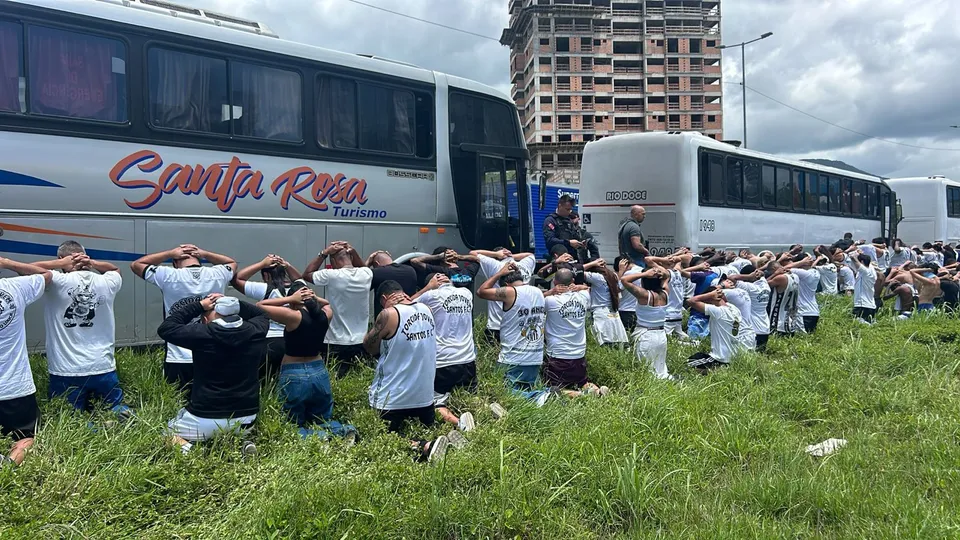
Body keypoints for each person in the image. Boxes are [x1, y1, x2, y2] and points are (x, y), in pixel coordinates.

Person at [157, 294, 269, 456]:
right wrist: (233, 302)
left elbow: (166, 328)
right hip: (246, 419)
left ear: (205, 320)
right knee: (232, 431)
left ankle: (194, 451)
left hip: (204, 417)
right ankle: (240, 445)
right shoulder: (255, 330)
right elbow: (261, 313)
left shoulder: (202, 333)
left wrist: (200, 305)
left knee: (166, 432)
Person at [34, 242, 130, 417]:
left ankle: (90, 432)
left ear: (62, 259)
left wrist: (60, 265)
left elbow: (26, 270)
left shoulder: (56, 280)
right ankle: (124, 424)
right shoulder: (106, 281)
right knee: (115, 410)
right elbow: (116, 270)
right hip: (103, 367)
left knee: (71, 417)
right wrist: (92, 263)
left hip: (66, 369)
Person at [363, 280, 449, 463]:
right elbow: (412, 306)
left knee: (378, 437)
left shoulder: (388, 314)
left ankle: (423, 446)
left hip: (391, 402)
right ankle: (457, 424)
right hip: (424, 402)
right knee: (428, 417)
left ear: (384, 298)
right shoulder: (427, 310)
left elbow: (368, 347)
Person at [131, 244, 236, 394]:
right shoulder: (218, 273)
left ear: (175, 263)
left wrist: (169, 252)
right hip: (212, 353)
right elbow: (231, 263)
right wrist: (205, 252)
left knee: (177, 402)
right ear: (199, 260)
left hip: (178, 356)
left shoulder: (169, 275)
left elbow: (136, 265)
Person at [257, 281, 354, 441]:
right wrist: (313, 297)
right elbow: (328, 303)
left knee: (292, 422)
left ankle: (316, 437)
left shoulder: (293, 316)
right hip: (319, 371)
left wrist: (291, 299)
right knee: (323, 417)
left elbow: (260, 306)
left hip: (294, 373)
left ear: (294, 301)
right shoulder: (325, 315)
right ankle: (343, 431)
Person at [411, 273, 478, 432]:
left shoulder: (430, 295)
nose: (441, 275)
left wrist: (428, 287)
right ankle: (486, 413)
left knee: (436, 402)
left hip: (443, 361)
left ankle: (460, 425)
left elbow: (405, 305)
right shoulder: (466, 293)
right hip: (467, 359)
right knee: (470, 397)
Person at [0, 257, 51, 466]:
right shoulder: (15, 287)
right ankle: (8, 467)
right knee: (25, 438)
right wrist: (8, 263)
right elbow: (46, 276)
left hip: (16, 388)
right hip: (15, 388)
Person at [477, 263, 549, 406]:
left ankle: (542, 395)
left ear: (506, 284)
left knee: (501, 391)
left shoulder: (511, 292)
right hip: (535, 356)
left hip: (513, 357)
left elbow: (481, 291)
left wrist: (498, 273)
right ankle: (544, 396)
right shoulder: (538, 292)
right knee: (525, 390)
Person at [304, 242, 373, 377]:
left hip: (334, 341)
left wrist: (323, 253)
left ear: (333, 261)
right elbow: (363, 267)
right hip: (361, 340)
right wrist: (353, 252)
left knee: (332, 381)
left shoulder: (332, 275)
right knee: (357, 380)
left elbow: (307, 275)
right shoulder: (366, 274)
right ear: (351, 258)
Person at [232, 254, 301, 379]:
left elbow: (237, 279)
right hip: (295, 341)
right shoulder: (299, 289)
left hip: (271, 340)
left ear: (266, 275)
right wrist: (288, 265)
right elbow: (298, 278)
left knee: (267, 381)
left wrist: (262, 264)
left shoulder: (266, 289)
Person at [542, 268, 608, 396]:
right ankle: (597, 390)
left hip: (558, 355)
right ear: (572, 281)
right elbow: (588, 289)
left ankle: (582, 395)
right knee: (581, 381)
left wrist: (549, 292)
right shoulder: (583, 296)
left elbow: (534, 301)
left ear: (555, 282)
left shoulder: (550, 301)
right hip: (579, 354)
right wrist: (579, 286)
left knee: (553, 388)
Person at [471, 248, 536, 343]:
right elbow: (530, 255)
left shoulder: (496, 265)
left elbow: (473, 253)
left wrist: (495, 254)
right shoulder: (525, 265)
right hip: (519, 325)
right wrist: (512, 256)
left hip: (497, 325)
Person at [621, 266, 673, 380]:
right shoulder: (665, 293)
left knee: (646, 371)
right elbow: (667, 277)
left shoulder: (645, 295)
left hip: (646, 335)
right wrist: (661, 275)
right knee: (661, 370)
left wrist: (644, 274)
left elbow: (624, 280)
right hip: (661, 335)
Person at [685, 287, 742, 374]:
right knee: (699, 356)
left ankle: (715, 371)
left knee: (687, 364)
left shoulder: (718, 311)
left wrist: (710, 295)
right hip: (733, 358)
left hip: (719, 359)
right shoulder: (734, 309)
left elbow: (690, 301)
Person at [582, 258, 630, 347]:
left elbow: (574, 272)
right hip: (613, 313)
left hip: (601, 314)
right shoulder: (613, 276)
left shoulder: (597, 277)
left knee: (603, 344)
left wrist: (591, 264)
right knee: (617, 344)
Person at [366, 250, 419, 319]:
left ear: (376, 263)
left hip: (387, 319)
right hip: (410, 316)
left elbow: (360, 280)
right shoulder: (411, 270)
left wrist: (368, 263)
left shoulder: (377, 273)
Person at [731, 266, 772, 352]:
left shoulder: (751, 288)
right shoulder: (765, 285)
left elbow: (732, 278)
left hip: (754, 329)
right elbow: (761, 275)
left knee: (750, 356)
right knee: (761, 356)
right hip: (765, 327)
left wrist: (748, 276)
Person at [785, 255, 823, 333]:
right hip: (814, 311)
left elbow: (783, 269)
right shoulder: (815, 272)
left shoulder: (803, 273)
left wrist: (801, 262)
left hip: (803, 312)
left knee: (801, 337)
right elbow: (812, 266)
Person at [410, 247, 480, 289]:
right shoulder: (468, 272)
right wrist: (459, 257)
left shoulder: (443, 271)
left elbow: (414, 261)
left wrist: (438, 257)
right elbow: (477, 259)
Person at [543, 194, 585, 262]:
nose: (569, 212)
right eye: (567, 209)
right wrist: (568, 242)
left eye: (570, 209)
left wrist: (579, 243)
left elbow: (574, 236)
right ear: (560, 206)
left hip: (572, 256)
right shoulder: (550, 220)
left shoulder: (568, 221)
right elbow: (550, 240)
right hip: (558, 257)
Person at [849, 252, 878, 323]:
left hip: (862, 305)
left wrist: (854, 256)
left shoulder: (865, 272)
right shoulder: (871, 270)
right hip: (870, 305)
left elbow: (853, 258)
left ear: (861, 262)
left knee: (858, 323)